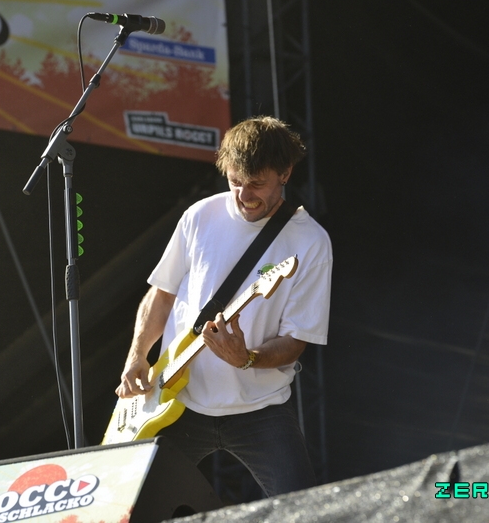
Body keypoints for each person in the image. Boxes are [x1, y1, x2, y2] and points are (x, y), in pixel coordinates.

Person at [116, 115, 333, 497]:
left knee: (302, 508)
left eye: (257, 184)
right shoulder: (200, 215)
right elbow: (161, 294)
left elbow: (295, 341)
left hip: (261, 411)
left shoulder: (311, 242)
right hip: (176, 402)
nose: (244, 195)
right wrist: (137, 356)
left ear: (285, 173)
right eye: (235, 181)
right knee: (129, 506)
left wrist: (246, 359)